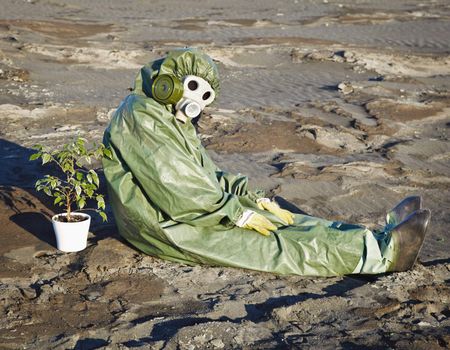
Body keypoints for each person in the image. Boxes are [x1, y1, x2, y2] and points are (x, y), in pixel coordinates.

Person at [102, 48, 431, 276]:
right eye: (192, 88)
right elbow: (179, 192)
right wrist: (235, 212)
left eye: (204, 97)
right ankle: (385, 255)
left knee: (289, 222)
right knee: (278, 246)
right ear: (167, 81)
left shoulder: (167, 117)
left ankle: (379, 237)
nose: (195, 103)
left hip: (196, 210)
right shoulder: (142, 118)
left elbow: (202, 174)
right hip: (172, 227)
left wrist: (247, 197)